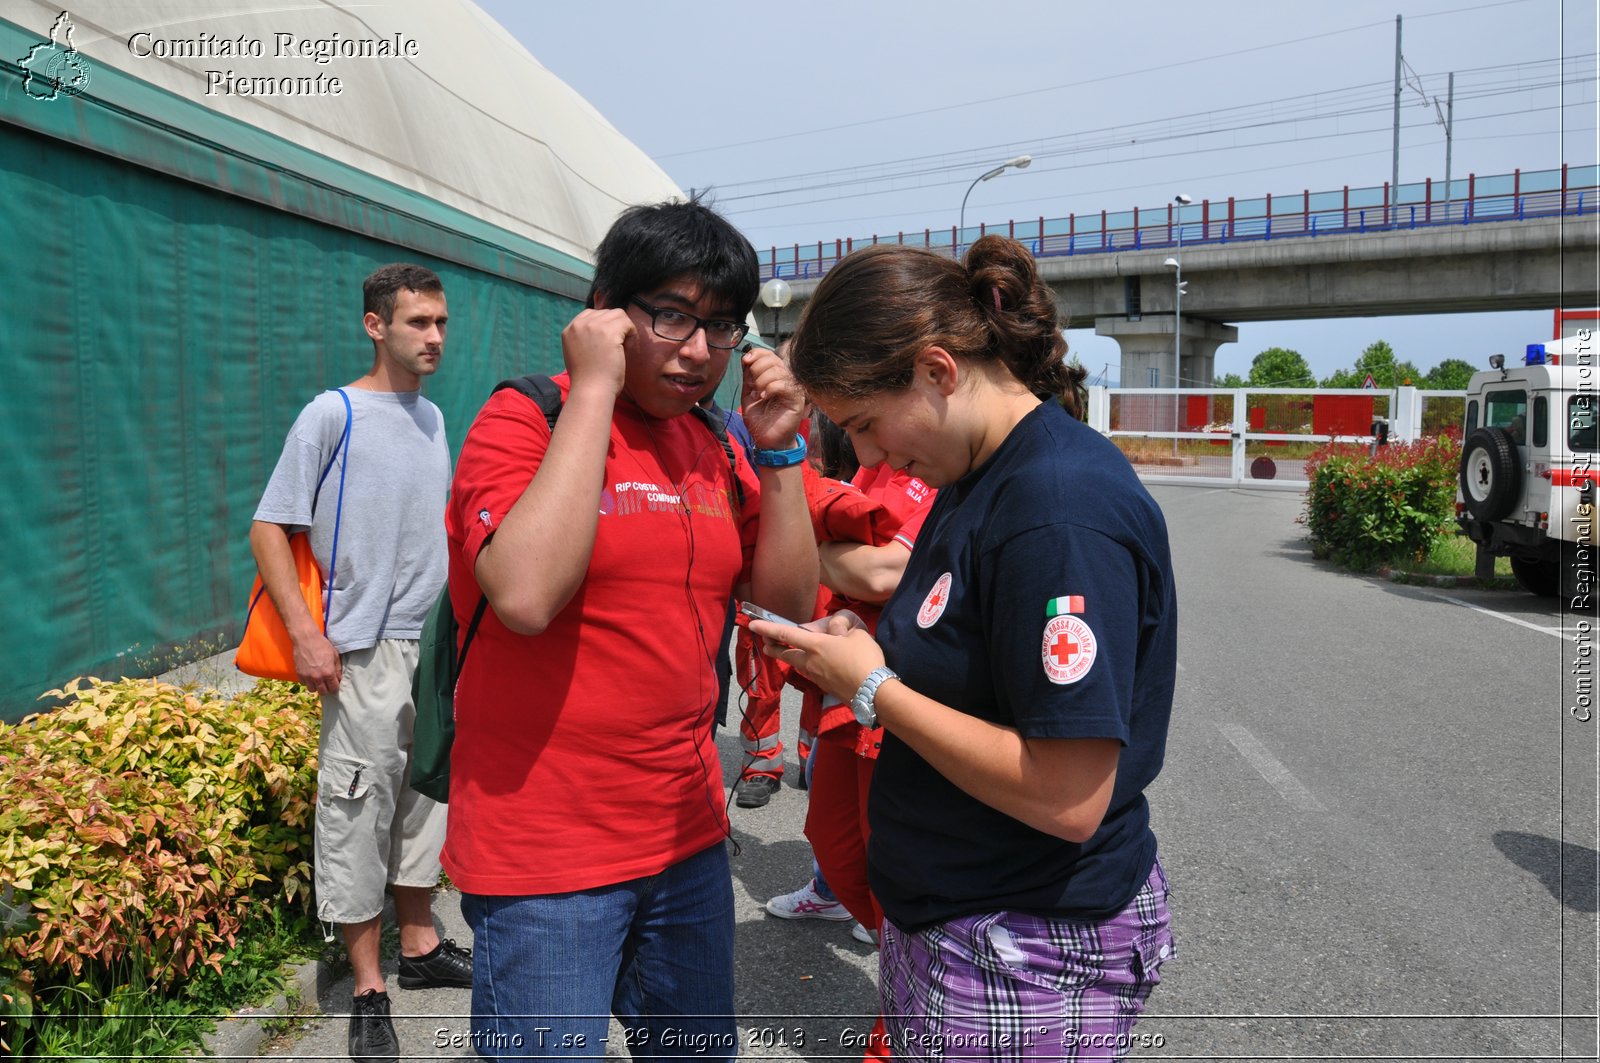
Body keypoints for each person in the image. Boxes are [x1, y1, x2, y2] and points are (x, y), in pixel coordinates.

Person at [751, 235, 1178, 1061]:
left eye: (867, 424)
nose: (871, 457)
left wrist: (874, 688)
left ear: (938, 370)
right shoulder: (977, 476)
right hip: (960, 916)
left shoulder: (1056, 507)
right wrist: (867, 645)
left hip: (1025, 938)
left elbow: (1068, 794)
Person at [442, 198, 817, 1058]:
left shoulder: (718, 444)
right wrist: (598, 388)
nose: (698, 352)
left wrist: (783, 450)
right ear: (607, 311)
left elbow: (791, 604)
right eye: (671, 316)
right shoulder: (525, 419)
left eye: (721, 327)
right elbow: (526, 594)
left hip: (685, 837)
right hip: (547, 856)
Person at [249, 263, 469, 1063]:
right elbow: (270, 526)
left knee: (421, 802)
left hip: (430, 647)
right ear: (375, 325)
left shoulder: (435, 417)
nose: (435, 336)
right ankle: (369, 985)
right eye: (418, 322)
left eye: (441, 322)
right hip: (361, 649)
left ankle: (419, 946)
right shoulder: (331, 414)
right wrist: (307, 632)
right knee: (356, 810)